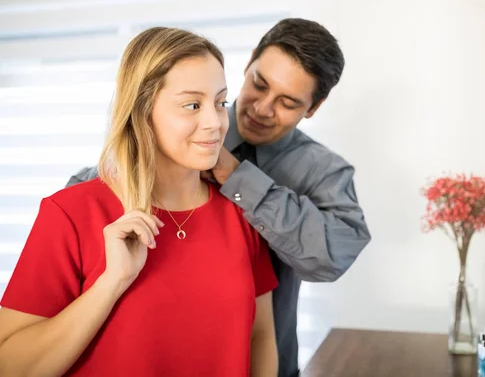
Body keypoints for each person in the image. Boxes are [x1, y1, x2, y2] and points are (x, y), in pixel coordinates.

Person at [66, 18, 371, 377]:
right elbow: (89, 192)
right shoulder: (187, 127)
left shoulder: (324, 172)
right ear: (249, 62)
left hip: (267, 361)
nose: (261, 108)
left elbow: (332, 257)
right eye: (259, 84)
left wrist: (237, 177)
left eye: (287, 102)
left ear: (314, 107)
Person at [0, 27, 279, 377]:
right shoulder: (70, 214)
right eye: (192, 105)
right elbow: (11, 367)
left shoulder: (240, 214)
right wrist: (111, 282)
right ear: (141, 110)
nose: (215, 122)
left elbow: (261, 337)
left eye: (220, 102)